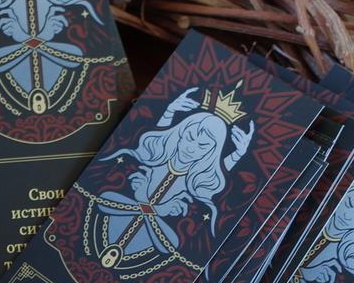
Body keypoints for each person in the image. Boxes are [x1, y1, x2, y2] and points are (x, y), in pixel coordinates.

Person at [91, 87, 254, 268]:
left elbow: (172, 246)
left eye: (202, 146)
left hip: (146, 252)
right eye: (189, 138)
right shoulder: (142, 161)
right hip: (103, 231)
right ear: (180, 133)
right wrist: (169, 111)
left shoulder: (196, 191)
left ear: (210, 153)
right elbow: (101, 199)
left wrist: (238, 155)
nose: (191, 148)